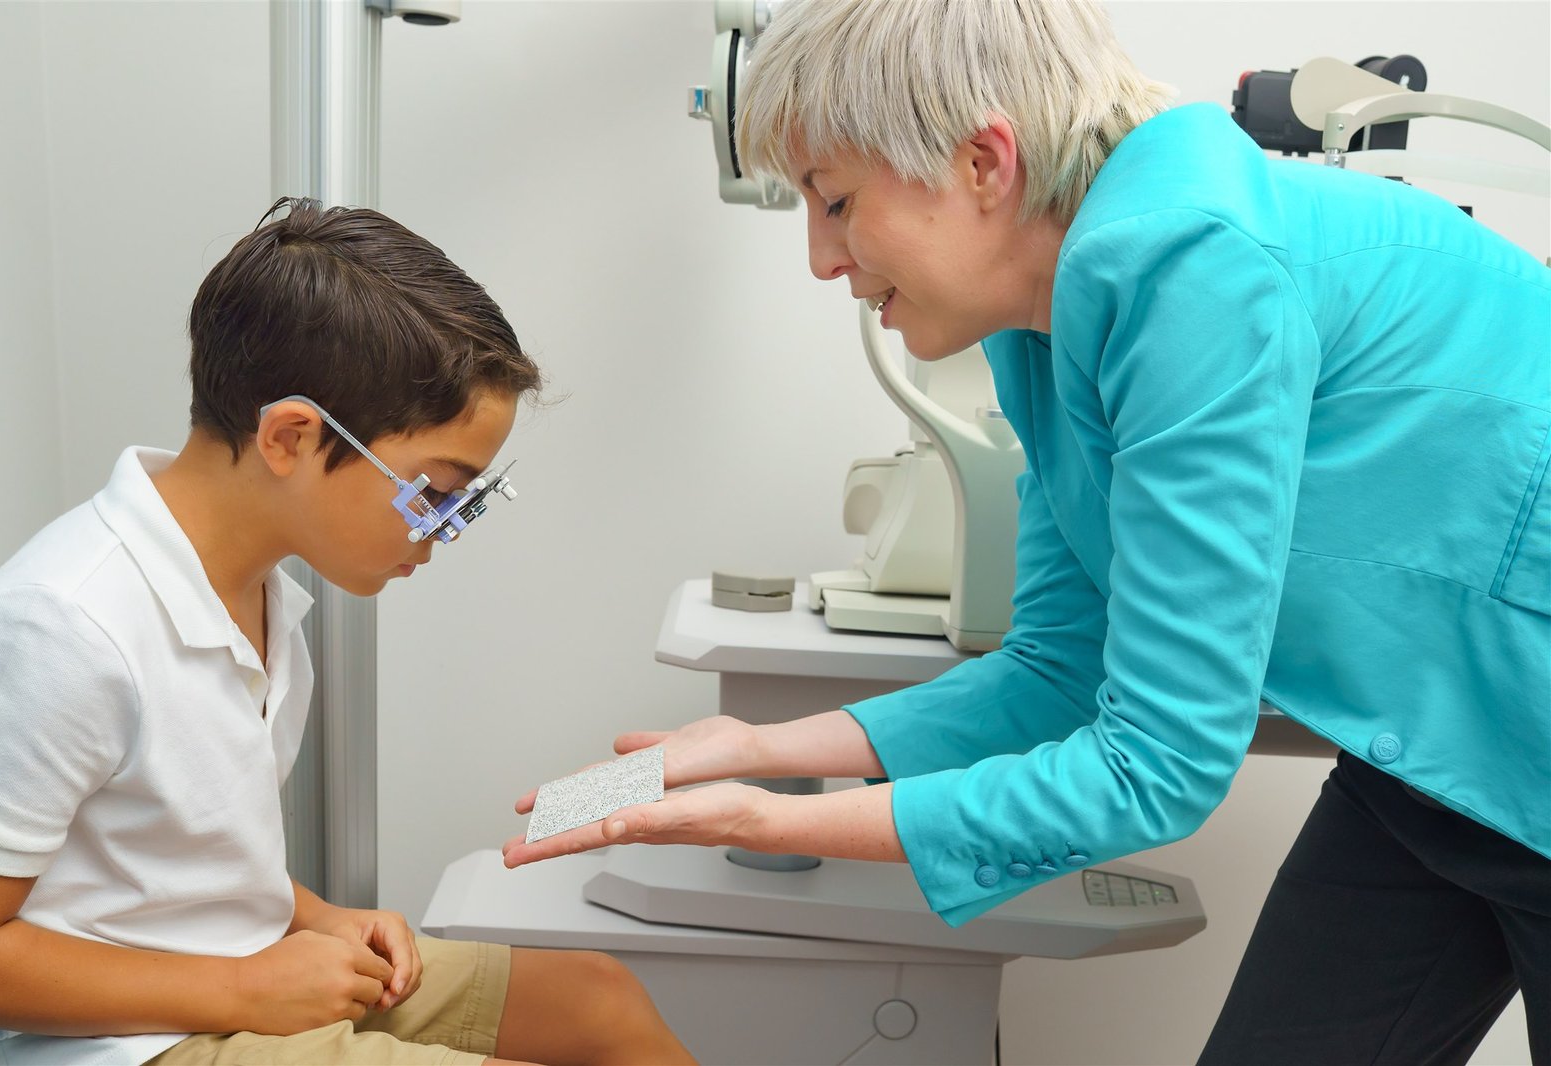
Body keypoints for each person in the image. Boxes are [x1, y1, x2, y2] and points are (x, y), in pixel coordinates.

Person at [501, 1, 1551, 1062]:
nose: (822, 259)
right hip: (1448, 761)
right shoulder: (1042, 329)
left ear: (982, 162)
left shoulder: (1192, 268)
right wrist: (756, 752)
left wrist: (761, 819)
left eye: (833, 202)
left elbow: (1159, 764)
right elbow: (1060, 664)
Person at [0, 198, 694, 1066]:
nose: (443, 530)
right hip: (113, 1044)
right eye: (435, 492)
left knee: (597, 1000)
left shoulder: (259, 597)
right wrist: (240, 991)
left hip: (232, 979)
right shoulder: (63, 629)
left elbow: (174, 867)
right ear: (290, 437)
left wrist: (321, 920)